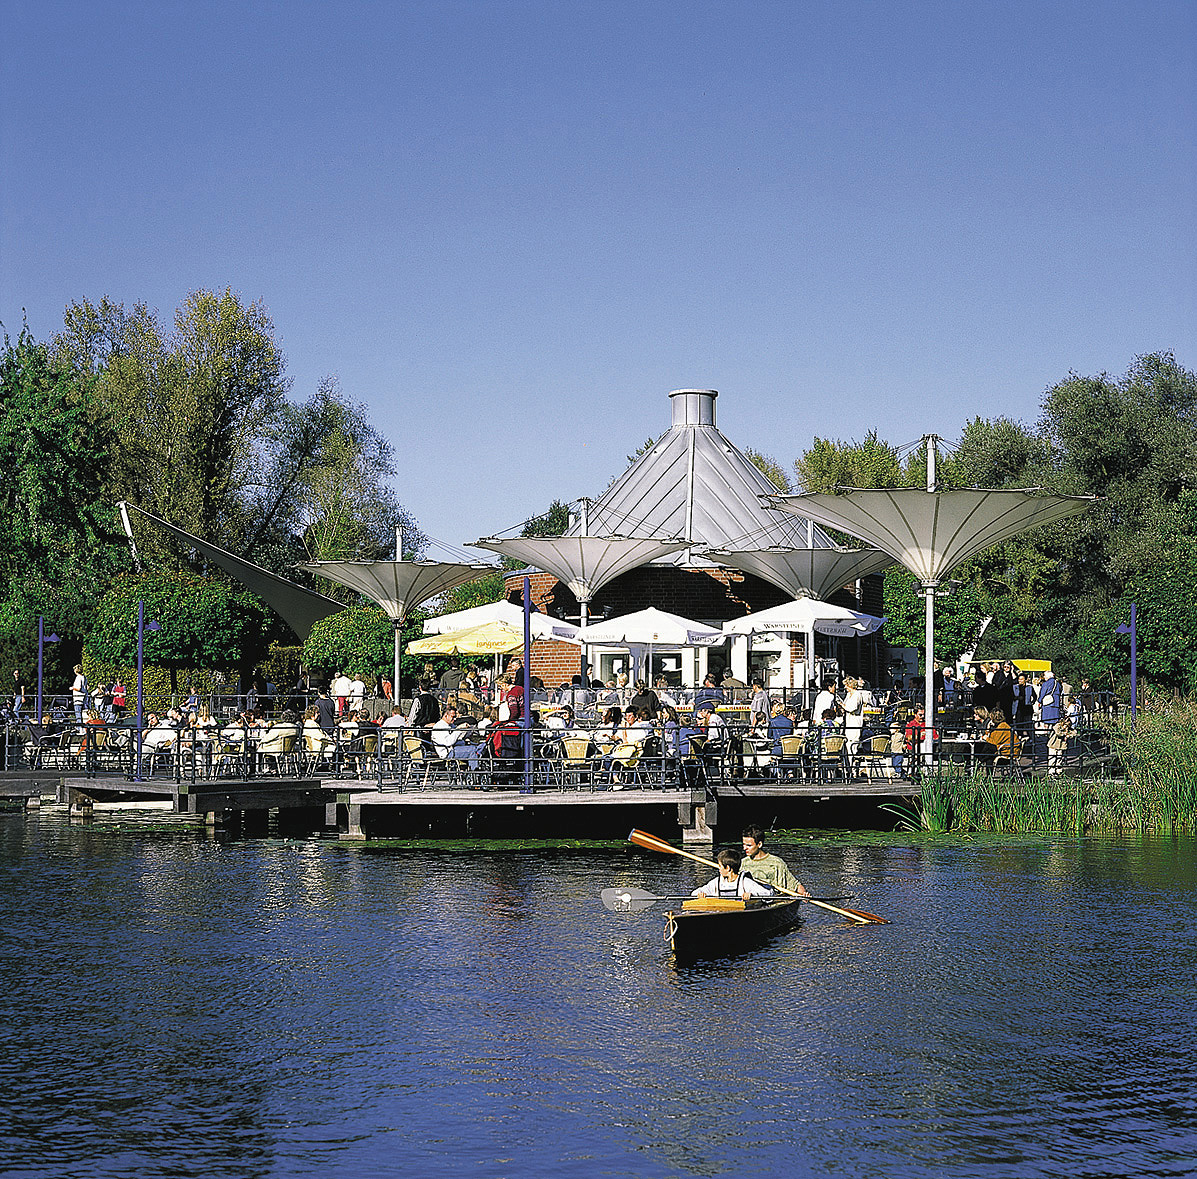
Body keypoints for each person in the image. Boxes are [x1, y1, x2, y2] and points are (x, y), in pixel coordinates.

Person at [740, 826, 810, 895]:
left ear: (759, 844)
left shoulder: (776, 863)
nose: (744, 848)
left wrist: (803, 894)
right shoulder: (742, 863)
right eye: (744, 844)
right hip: (748, 900)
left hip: (771, 899)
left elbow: (794, 884)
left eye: (749, 845)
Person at [692, 848, 774, 900]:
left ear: (728, 868)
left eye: (720, 866)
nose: (718, 868)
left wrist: (752, 895)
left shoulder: (745, 882)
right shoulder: (716, 882)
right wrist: (700, 894)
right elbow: (694, 893)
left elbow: (768, 894)